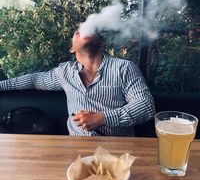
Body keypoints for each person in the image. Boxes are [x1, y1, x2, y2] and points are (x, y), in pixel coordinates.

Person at [0, 30, 155, 136]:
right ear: (72, 48)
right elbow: (33, 80)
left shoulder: (124, 68)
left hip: (118, 147)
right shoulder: (64, 73)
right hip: (77, 147)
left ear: (101, 43)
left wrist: (103, 118)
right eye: (78, 31)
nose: (84, 29)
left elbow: (146, 106)